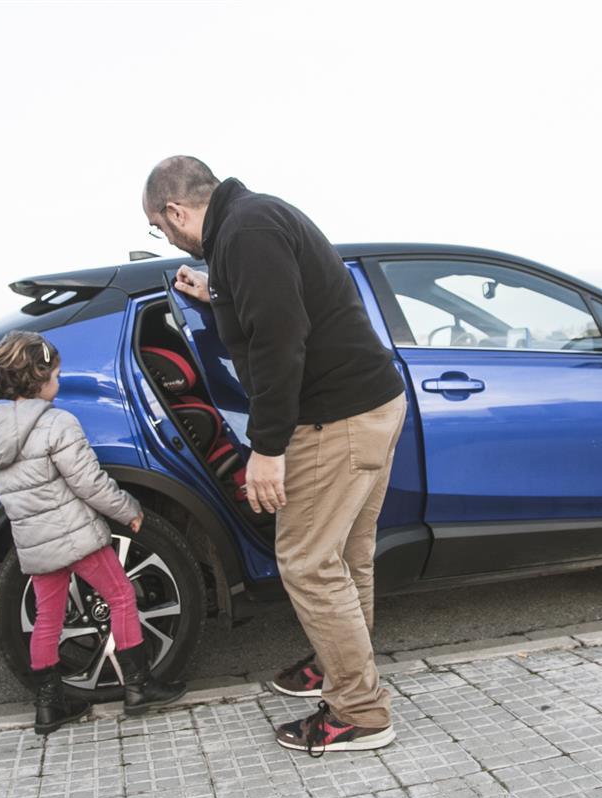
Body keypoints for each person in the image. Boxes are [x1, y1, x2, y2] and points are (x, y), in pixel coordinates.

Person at [143, 156, 407, 753]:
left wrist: (267, 449)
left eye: (162, 230)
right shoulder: (252, 221)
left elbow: (280, 341)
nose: (169, 239)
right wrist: (218, 294)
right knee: (345, 556)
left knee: (309, 563)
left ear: (175, 211)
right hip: (370, 405)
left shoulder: (248, 231)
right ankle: (338, 664)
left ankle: (360, 712)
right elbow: (281, 301)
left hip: (335, 416)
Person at [0, 330, 186, 735]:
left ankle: (49, 706)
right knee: (121, 596)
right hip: (74, 534)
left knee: (48, 617)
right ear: (37, 375)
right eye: (55, 373)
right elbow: (89, 484)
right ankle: (138, 687)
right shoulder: (57, 423)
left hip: (31, 537)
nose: (60, 380)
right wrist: (129, 510)